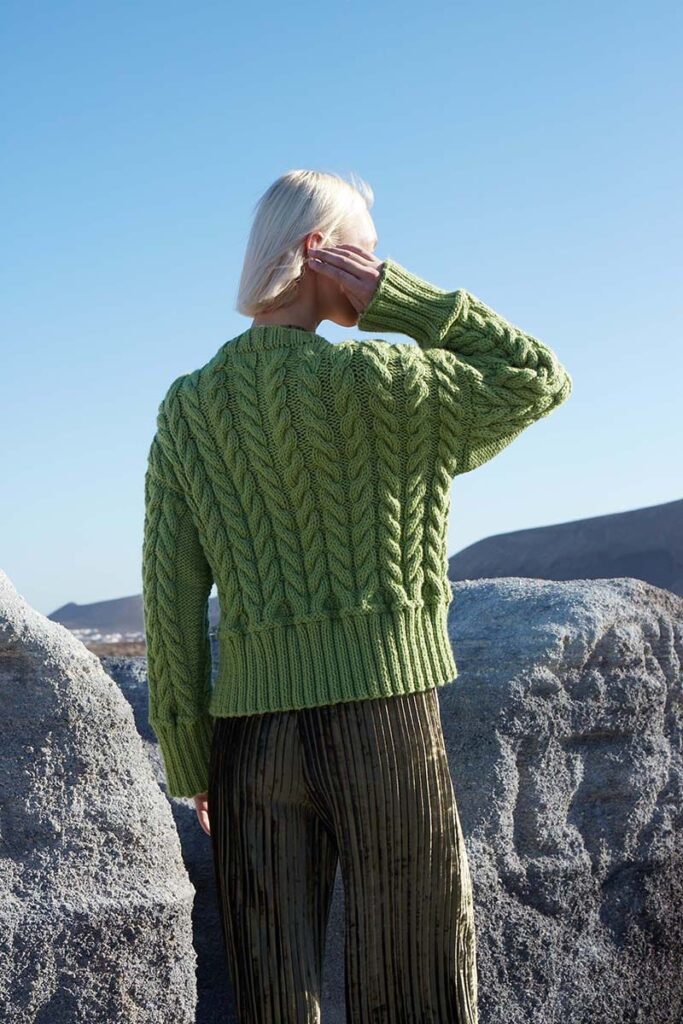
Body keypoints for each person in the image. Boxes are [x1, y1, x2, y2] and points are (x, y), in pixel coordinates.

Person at [142, 168, 573, 1023]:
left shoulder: (191, 407)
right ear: (319, 251)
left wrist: (192, 760)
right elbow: (534, 376)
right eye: (368, 254)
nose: (376, 270)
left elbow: (170, 595)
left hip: (250, 739)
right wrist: (404, 303)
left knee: (272, 986)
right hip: (385, 719)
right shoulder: (390, 383)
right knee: (415, 972)